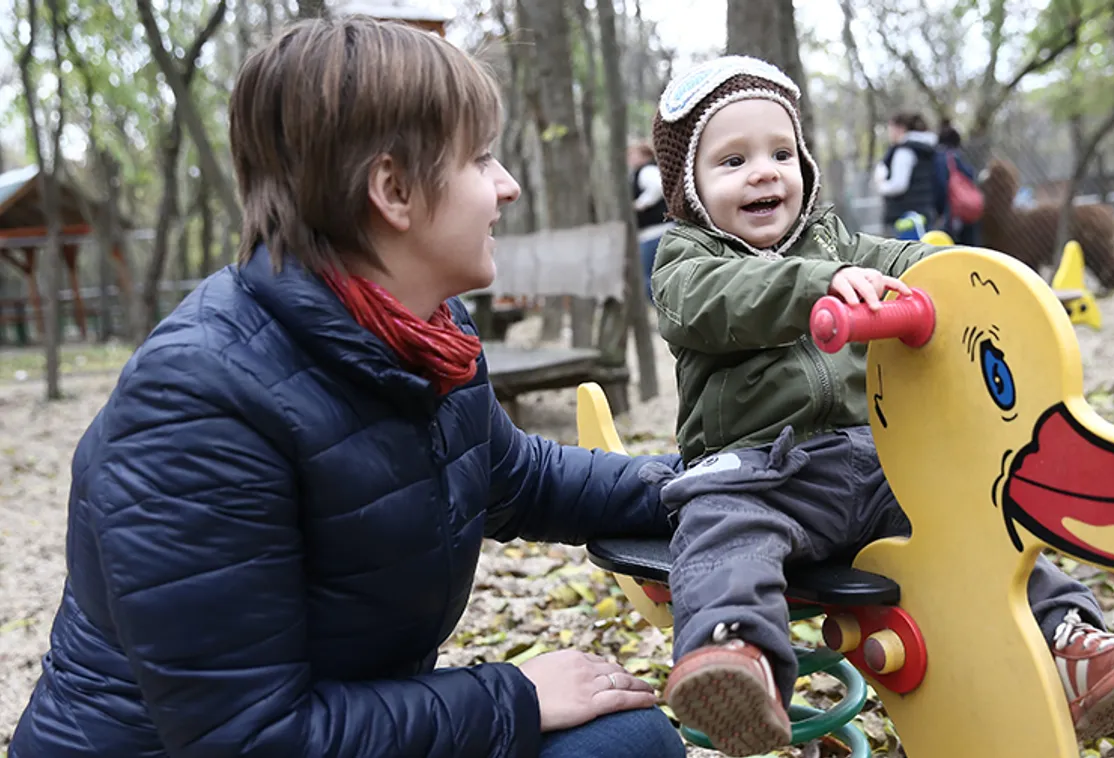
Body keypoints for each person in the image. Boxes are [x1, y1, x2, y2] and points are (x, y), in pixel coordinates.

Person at [8, 17, 686, 758]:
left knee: (624, 738)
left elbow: (521, 478)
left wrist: (715, 488)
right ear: (392, 189)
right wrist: (515, 695)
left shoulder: (421, 335)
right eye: (481, 159)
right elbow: (246, 739)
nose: (508, 187)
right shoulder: (197, 406)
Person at [642, 55, 1114, 757]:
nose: (763, 172)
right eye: (731, 160)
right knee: (721, 530)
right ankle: (736, 660)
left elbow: (914, 266)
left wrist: (985, 291)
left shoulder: (835, 238)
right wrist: (822, 285)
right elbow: (720, 303)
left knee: (980, 522)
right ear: (688, 187)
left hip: (874, 465)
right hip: (757, 471)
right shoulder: (684, 260)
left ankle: (1072, 645)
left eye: (781, 152)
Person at [873, 111, 940, 237]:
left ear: (900, 129)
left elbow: (899, 185)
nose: (889, 133)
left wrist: (881, 185)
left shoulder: (904, 151)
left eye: (890, 129)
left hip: (905, 216)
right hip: (924, 212)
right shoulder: (925, 150)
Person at [629, 140, 673, 301]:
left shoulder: (646, 170)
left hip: (655, 233)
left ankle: (666, 311)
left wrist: (640, 204)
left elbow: (657, 186)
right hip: (655, 232)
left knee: (646, 278)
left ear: (644, 156)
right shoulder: (645, 171)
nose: (630, 159)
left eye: (633, 155)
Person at [934, 119, 983, 246]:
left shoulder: (941, 158)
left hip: (953, 212)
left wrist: (939, 210)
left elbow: (941, 186)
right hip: (969, 210)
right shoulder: (963, 157)